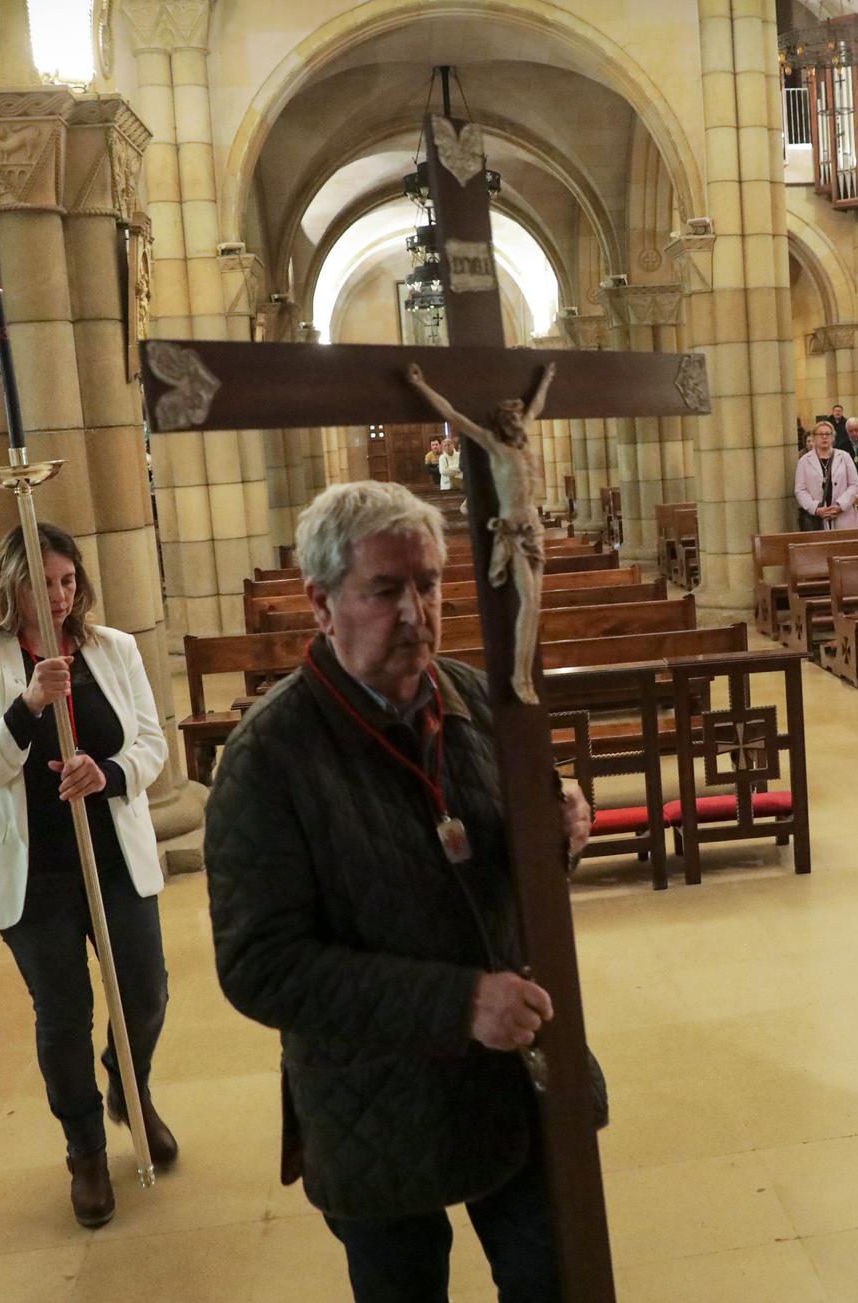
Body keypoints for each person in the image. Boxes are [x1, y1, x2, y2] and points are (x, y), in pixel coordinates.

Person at [206, 481, 594, 1303]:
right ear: (321, 602)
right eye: (386, 589)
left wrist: (555, 841)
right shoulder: (267, 758)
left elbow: (514, 881)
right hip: (376, 1106)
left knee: (560, 1279)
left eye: (429, 583)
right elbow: (261, 965)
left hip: (512, 1081)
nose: (416, 610)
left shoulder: (483, 700)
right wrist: (457, 1003)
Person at [0, 523, 174, 1229]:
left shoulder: (115, 649)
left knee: (145, 988)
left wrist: (105, 771)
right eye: (42, 583)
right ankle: (86, 1149)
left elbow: (151, 742)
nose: (58, 594)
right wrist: (30, 705)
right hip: (34, 869)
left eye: (67, 580)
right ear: (11, 585)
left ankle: (128, 1084)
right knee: (65, 1012)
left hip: (111, 854)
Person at [795, 419, 858, 530]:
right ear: (814, 437)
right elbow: (800, 490)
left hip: (843, 516)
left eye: (827, 434)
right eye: (820, 434)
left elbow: (854, 485)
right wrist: (815, 508)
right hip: (817, 519)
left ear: (833, 437)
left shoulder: (844, 457)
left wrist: (840, 506)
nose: (824, 437)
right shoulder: (804, 461)